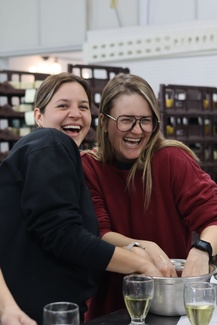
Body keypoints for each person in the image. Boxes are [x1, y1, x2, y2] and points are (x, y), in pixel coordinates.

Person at [0, 72, 176, 325]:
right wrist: (141, 265)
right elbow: (61, 233)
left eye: (83, 107)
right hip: (38, 314)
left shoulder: (55, 157)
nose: (75, 113)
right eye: (63, 105)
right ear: (39, 116)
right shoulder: (51, 142)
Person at [81, 73, 217, 320]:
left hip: (170, 311)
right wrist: (142, 246)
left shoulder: (172, 160)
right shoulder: (89, 167)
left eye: (146, 120)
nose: (137, 130)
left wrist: (202, 248)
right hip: (110, 310)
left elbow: (213, 216)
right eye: (126, 121)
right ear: (103, 120)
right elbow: (98, 234)